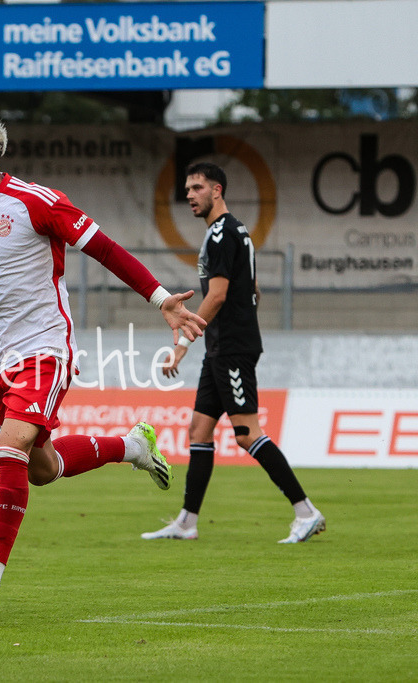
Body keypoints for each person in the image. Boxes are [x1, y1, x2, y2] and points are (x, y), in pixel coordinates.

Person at [0, 111, 207, 617]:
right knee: (41, 468)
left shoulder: (35, 202)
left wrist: (162, 301)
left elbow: (104, 248)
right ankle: (132, 446)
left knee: (9, 446)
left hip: (45, 348)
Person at [142, 161, 324, 544]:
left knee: (245, 433)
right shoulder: (235, 231)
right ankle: (187, 521)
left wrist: (182, 343)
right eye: (188, 189)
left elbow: (219, 294)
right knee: (199, 429)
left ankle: (305, 511)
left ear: (217, 191)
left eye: (196, 188)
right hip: (222, 346)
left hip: (232, 349)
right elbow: (252, 286)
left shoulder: (222, 234)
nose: (189, 195)